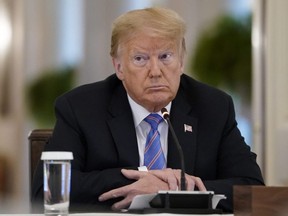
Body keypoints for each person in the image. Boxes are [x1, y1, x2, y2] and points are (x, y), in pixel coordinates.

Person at [32, 7, 264, 213]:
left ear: (181, 62)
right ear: (118, 66)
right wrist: (142, 180)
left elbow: (254, 191)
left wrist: (176, 187)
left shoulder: (213, 107)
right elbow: (45, 191)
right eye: (140, 59)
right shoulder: (81, 108)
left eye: (165, 56)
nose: (155, 71)